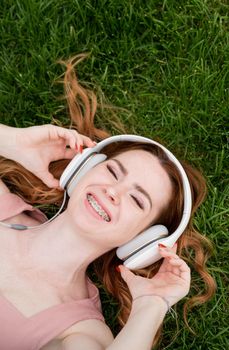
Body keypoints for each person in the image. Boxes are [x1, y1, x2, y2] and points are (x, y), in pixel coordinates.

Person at [0, 55, 216, 350]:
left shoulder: (78, 329)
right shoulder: (5, 207)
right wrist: (12, 142)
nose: (114, 191)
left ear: (143, 242)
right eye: (114, 172)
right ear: (82, 169)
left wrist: (151, 305)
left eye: (137, 200)